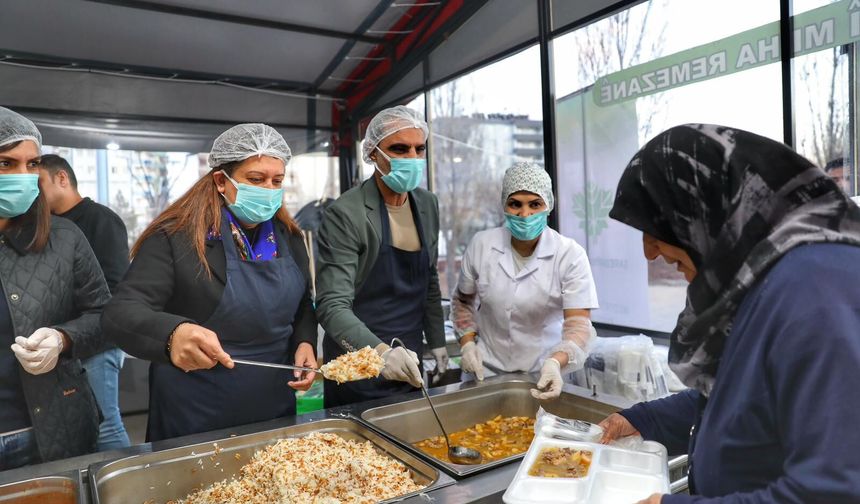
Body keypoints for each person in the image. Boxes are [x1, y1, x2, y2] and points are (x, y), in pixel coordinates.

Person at [598, 124, 860, 503]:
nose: (649, 252)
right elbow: (739, 400)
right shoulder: (763, 282)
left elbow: (834, 492)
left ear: (704, 205)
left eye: (657, 226)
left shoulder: (815, 289)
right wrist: (643, 420)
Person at [102, 124, 317, 442]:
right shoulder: (177, 237)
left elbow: (302, 304)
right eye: (256, 179)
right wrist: (173, 333)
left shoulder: (289, 237)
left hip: (273, 402)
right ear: (221, 180)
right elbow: (120, 313)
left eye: (277, 180)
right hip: (196, 409)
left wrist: (305, 342)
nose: (269, 190)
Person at [0, 107, 110, 470]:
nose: (23, 176)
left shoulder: (63, 238)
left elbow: (105, 316)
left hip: (50, 429)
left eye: (32, 165)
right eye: (6, 163)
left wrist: (63, 338)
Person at [316, 105, 448, 407]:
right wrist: (380, 353)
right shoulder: (346, 214)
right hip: (358, 362)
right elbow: (331, 305)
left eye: (419, 149)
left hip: (409, 355)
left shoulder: (428, 204)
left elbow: (428, 280)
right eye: (399, 149)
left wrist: (438, 342)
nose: (412, 158)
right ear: (373, 153)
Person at [450, 162, 598, 400]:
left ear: (548, 205)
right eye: (515, 204)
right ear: (504, 206)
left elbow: (578, 326)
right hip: (484, 370)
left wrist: (555, 362)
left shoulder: (570, 255)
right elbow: (462, 302)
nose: (525, 214)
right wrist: (467, 344)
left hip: (542, 372)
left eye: (535, 204)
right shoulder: (482, 244)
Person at [38, 154, 131, 451]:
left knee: (104, 425)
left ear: (62, 178)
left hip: (97, 342)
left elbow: (115, 290)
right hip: (61, 342)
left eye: (38, 182)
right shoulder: (45, 224)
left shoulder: (101, 220)